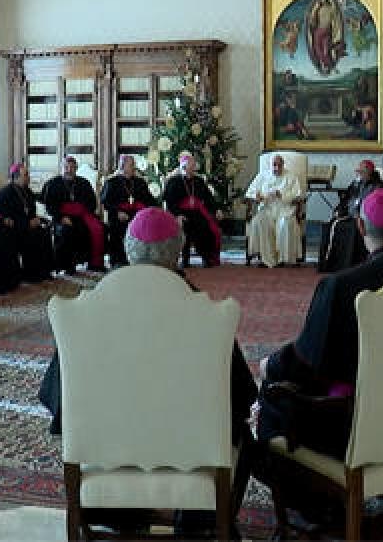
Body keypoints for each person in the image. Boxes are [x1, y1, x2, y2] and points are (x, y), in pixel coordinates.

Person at [37, 208, 258, 534]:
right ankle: (200, 524)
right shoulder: (206, 312)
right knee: (245, 438)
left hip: (106, 453)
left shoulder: (86, 311)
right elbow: (239, 396)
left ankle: (118, 517)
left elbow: (59, 399)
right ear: (178, 250)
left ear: (128, 249)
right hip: (190, 452)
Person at [256, 189, 383, 460]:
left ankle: (325, 500)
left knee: (272, 401)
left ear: (361, 226)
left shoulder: (340, 286)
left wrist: (270, 366)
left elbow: (306, 363)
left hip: (355, 424)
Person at [317, 159, 383, 273]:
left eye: (361, 172)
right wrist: (339, 210)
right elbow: (345, 200)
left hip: (365, 218)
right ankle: (332, 264)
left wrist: (361, 214)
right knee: (329, 225)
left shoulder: (379, 186)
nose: (358, 174)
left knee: (352, 229)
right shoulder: (355, 184)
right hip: (349, 216)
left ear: (369, 172)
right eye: (358, 172)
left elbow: (377, 205)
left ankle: (350, 264)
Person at [40, 156, 106, 274]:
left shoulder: (84, 183)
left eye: (72, 167)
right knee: (67, 230)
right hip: (61, 217)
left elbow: (92, 203)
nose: (69, 170)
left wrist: (83, 212)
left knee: (100, 228)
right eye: (66, 167)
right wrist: (61, 217)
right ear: (61, 168)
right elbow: (49, 206)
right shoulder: (52, 184)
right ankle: (67, 266)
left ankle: (93, 263)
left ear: (76, 169)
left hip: (82, 217)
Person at [0, 162, 54, 283]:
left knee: (43, 232)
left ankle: (44, 271)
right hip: (13, 229)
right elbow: (0, 217)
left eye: (28, 174)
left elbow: (30, 212)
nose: (28, 177)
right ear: (16, 177)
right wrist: (26, 224)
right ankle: (31, 274)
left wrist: (37, 220)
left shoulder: (27, 191)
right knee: (33, 235)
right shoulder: (5, 193)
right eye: (26, 175)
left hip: (27, 226)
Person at [161, 154, 222, 268]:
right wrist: (177, 215)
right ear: (184, 166)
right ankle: (185, 258)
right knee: (186, 225)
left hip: (197, 212)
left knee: (205, 226)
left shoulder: (198, 180)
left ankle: (206, 257)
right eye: (192, 165)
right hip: (181, 213)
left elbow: (208, 198)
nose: (195, 167)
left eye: (194, 165)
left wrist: (216, 209)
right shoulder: (174, 181)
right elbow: (169, 201)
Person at [245, 154, 303, 268]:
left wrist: (282, 195)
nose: (277, 168)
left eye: (279, 165)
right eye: (274, 165)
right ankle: (266, 259)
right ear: (270, 165)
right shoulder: (262, 176)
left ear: (283, 165)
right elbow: (249, 193)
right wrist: (257, 197)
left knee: (285, 224)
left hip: (285, 210)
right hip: (267, 209)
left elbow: (298, 195)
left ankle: (284, 259)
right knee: (259, 221)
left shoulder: (292, 177)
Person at [98, 155, 156, 267]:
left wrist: (148, 212)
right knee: (118, 228)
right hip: (119, 214)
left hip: (138, 215)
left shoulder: (140, 182)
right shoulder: (111, 182)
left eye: (134, 165)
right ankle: (117, 260)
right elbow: (105, 202)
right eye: (131, 165)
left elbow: (149, 200)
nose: (134, 167)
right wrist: (117, 212)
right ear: (122, 166)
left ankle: (141, 258)